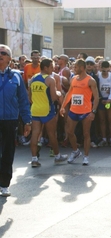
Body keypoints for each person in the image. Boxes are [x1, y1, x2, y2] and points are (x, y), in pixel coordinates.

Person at [0, 44, 32, 197]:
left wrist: (27, 121)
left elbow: (23, 101)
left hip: (10, 120)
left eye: (3, 53)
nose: (0, 55)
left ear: (9, 58)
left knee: (7, 153)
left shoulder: (16, 76)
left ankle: (4, 184)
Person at [28, 58, 68, 167]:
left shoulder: (33, 78)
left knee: (35, 134)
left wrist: (37, 103)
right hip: (47, 110)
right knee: (52, 134)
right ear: (45, 68)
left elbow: (29, 97)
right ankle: (57, 156)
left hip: (35, 109)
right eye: (51, 67)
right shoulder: (50, 79)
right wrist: (59, 93)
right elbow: (54, 97)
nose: (53, 68)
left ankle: (34, 159)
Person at [60, 59, 99, 166]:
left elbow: (96, 98)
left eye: (76, 67)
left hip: (86, 111)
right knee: (69, 132)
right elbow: (69, 94)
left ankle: (86, 157)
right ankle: (76, 151)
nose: (74, 69)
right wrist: (63, 106)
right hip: (73, 110)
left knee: (86, 134)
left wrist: (93, 112)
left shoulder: (90, 80)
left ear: (82, 67)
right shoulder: (73, 79)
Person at [97, 60, 111, 147]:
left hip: (109, 100)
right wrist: (100, 99)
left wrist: (110, 98)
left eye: (106, 68)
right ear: (100, 68)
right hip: (101, 100)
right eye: (103, 68)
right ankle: (104, 138)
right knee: (102, 120)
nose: (105, 70)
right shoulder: (98, 76)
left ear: (109, 68)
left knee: (110, 119)